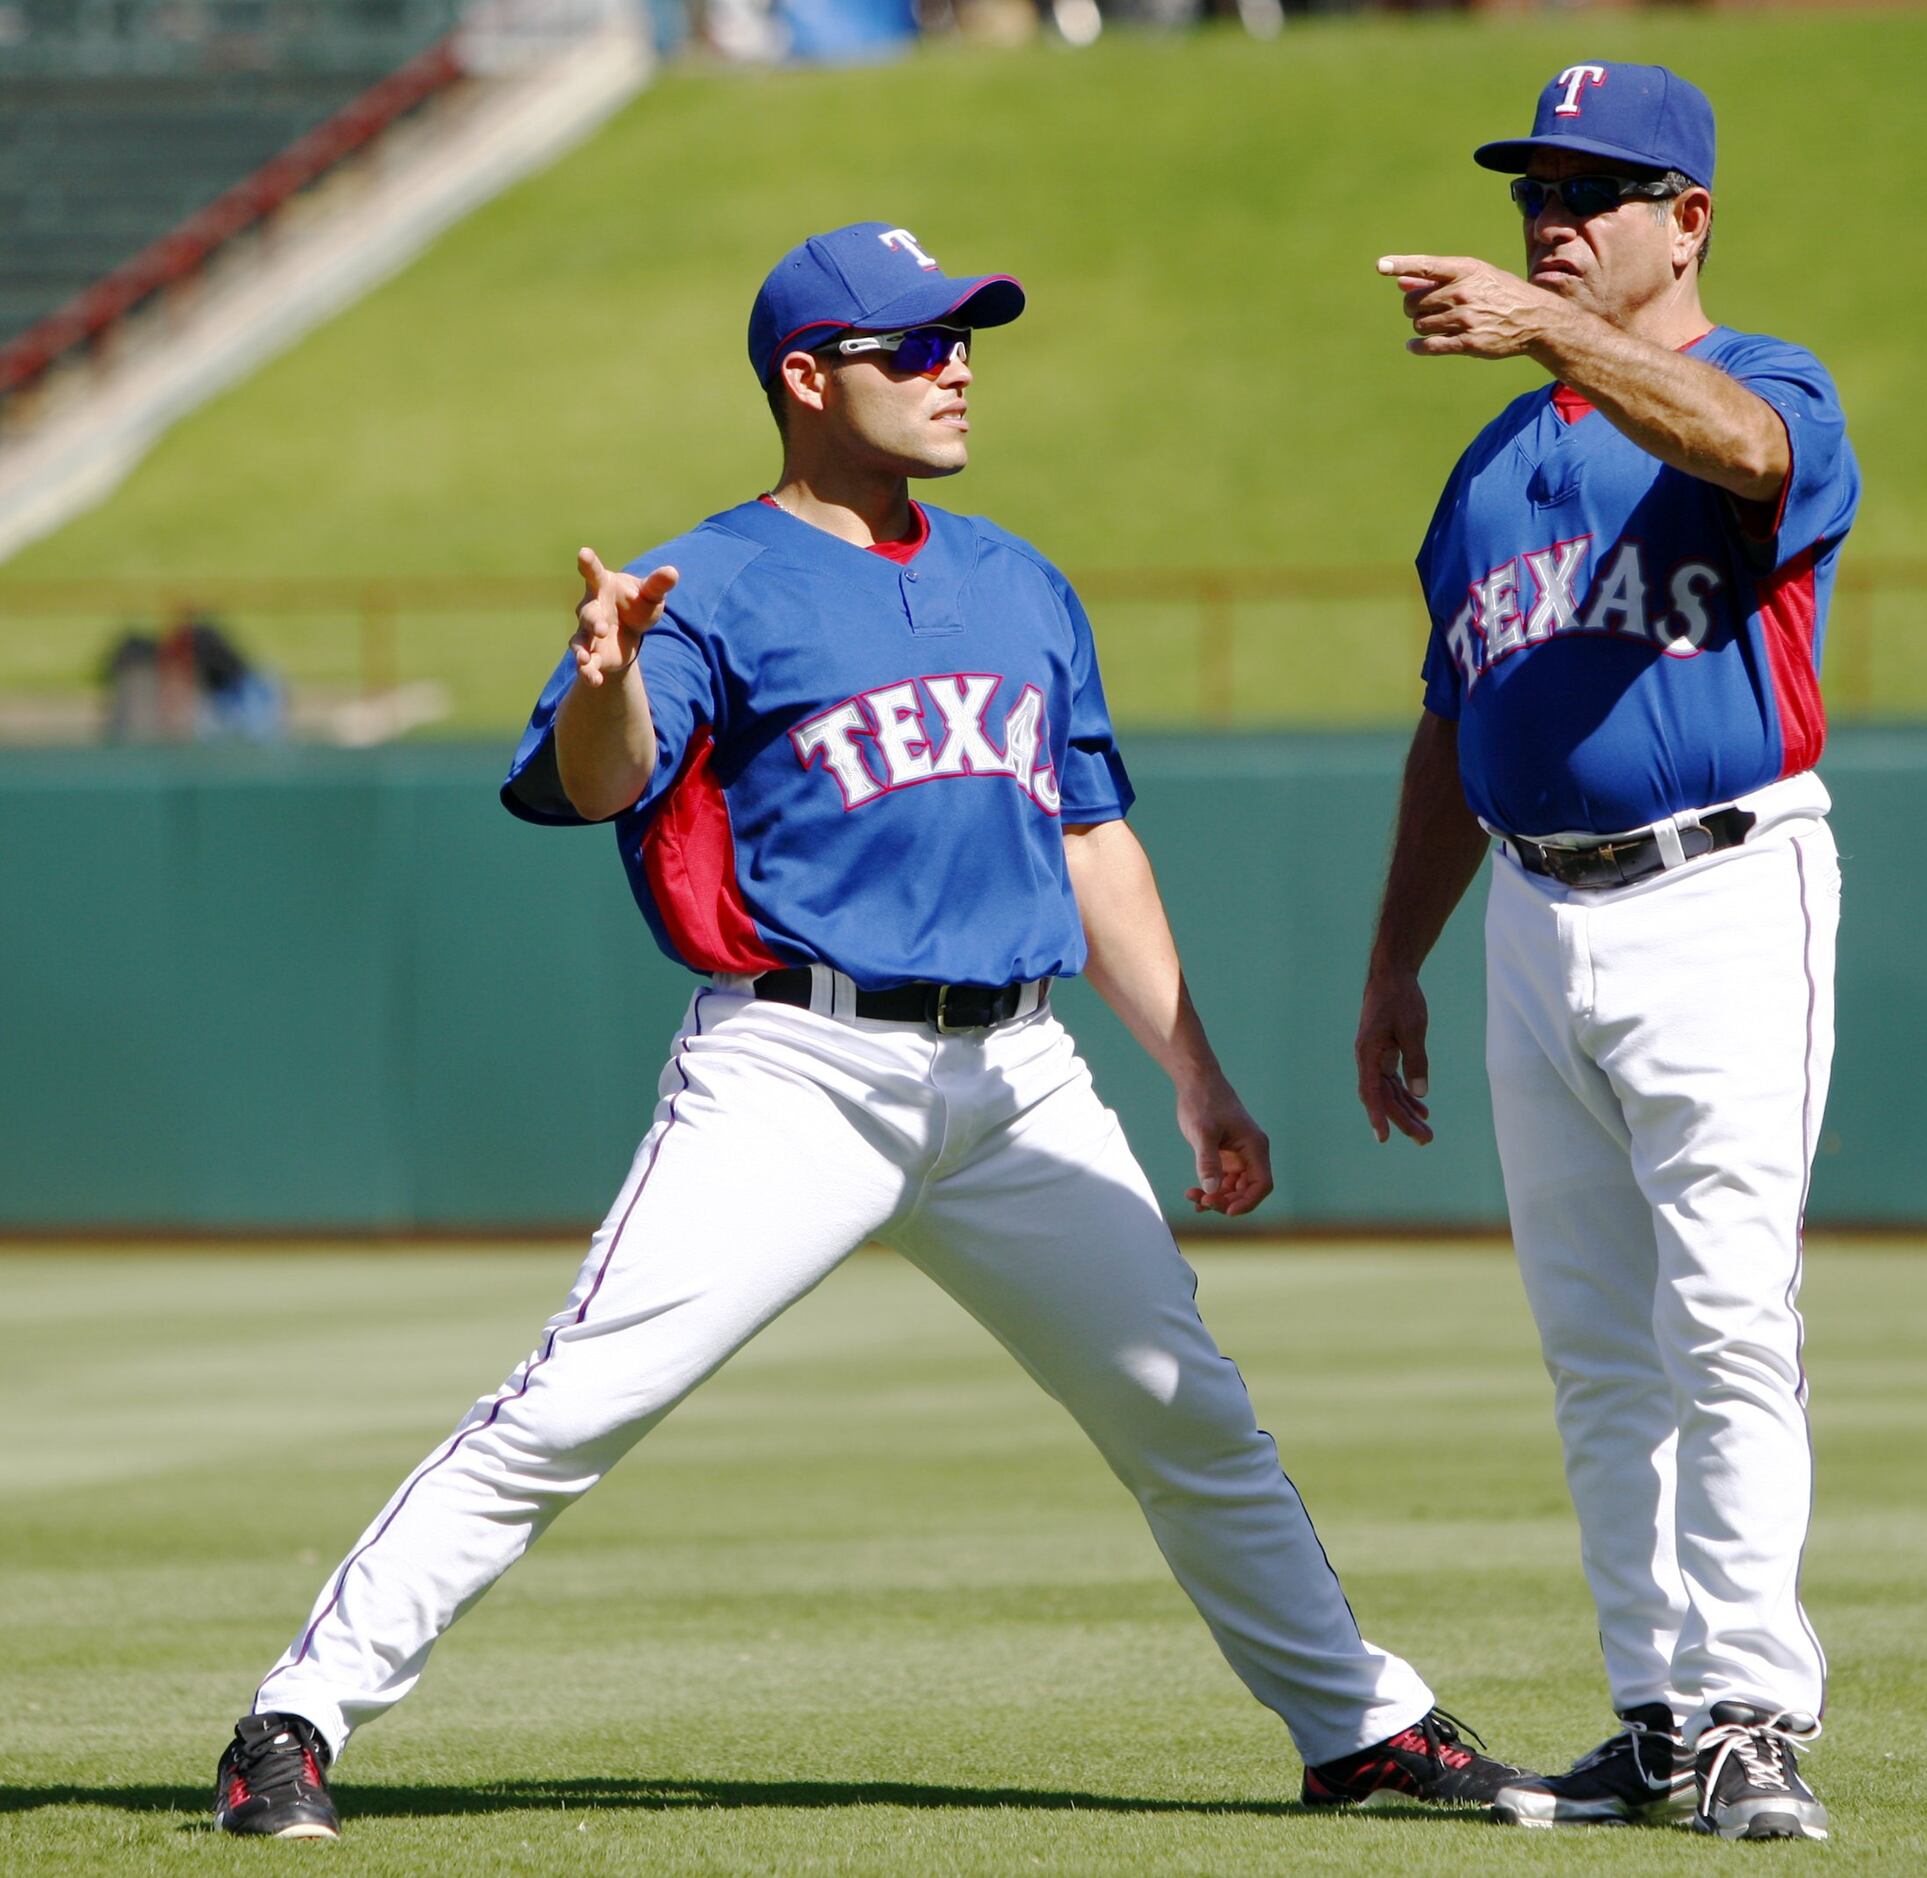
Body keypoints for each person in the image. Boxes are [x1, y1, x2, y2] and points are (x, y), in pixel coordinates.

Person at [210, 220, 1534, 1840]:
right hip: (796, 1066)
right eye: (916, 344)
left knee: (1188, 1413)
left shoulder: (1016, 580)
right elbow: (597, 780)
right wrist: (611, 672)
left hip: (1022, 1075)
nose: (958, 363)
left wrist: (1195, 1073)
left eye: (967, 335)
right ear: (807, 377)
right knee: (575, 1405)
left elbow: (1089, 836)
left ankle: (1357, 1727)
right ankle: (296, 1713)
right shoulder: (708, 582)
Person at [1354, 64, 1860, 1842]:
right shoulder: (1488, 471)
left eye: (1595, 190)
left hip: (1725, 882)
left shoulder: (1771, 380)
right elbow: (1451, 721)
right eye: (1531, 195)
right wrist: (1393, 959)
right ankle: (1658, 1711)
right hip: (1525, 904)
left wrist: (1555, 340)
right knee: (1592, 1344)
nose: (1551, 222)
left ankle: (1751, 1708)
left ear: (1689, 218)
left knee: (1724, 1309)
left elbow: (1752, 456)